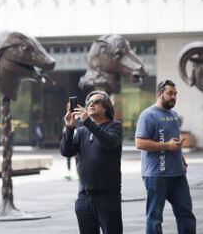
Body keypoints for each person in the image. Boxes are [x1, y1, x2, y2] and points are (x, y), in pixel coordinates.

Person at [135, 80, 196, 234]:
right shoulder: (148, 115)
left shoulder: (174, 115)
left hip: (177, 175)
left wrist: (181, 159)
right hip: (156, 175)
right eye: (170, 93)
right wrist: (166, 146)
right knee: (155, 219)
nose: (173, 97)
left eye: (175, 94)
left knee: (186, 214)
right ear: (159, 94)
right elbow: (139, 143)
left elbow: (173, 140)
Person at [59, 90, 123, 234]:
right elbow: (66, 151)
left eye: (97, 101)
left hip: (107, 196)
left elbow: (109, 142)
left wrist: (87, 121)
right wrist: (69, 128)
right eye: (89, 102)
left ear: (106, 107)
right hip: (84, 197)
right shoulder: (82, 131)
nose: (91, 104)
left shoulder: (114, 126)